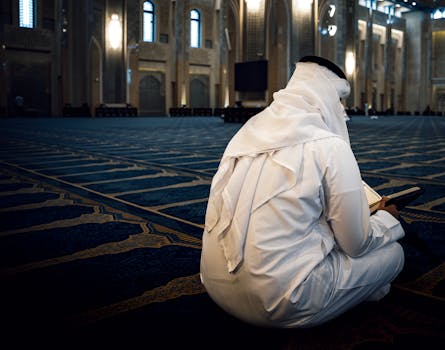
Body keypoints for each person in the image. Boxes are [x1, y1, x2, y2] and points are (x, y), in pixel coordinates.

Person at [200, 56, 405, 328]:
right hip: (281, 302)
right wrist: (387, 219)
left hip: (215, 286)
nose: (341, 111)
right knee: (395, 254)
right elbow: (356, 244)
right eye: (339, 101)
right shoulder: (329, 145)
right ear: (328, 98)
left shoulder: (246, 134)